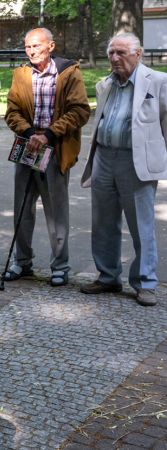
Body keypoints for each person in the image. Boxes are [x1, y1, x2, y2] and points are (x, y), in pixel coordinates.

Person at [80, 34, 165, 306]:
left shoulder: (159, 81)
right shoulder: (105, 84)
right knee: (103, 222)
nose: (115, 58)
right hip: (104, 157)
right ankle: (108, 277)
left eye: (121, 53)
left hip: (136, 161)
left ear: (138, 54)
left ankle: (145, 283)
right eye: (111, 53)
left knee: (141, 225)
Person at [3, 27, 91, 286]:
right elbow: (12, 112)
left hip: (55, 147)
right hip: (27, 146)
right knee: (22, 207)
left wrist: (49, 134)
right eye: (28, 46)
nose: (31, 51)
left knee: (56, 212)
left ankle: (60, 266)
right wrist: (30, 133)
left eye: (37, 46)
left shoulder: (68, 73)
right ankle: (22, 262)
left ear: (50, 47)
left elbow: (80, 111)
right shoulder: (20, 74)